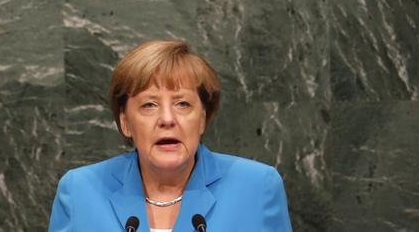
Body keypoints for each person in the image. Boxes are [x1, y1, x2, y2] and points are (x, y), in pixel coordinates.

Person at [48, 40, 292, 232]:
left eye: (182, 104)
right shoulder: (80, 191)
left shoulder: (257, 187)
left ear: (203, 118)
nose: (167, 119)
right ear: (125, 123)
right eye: (149, 105)